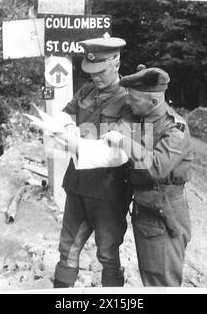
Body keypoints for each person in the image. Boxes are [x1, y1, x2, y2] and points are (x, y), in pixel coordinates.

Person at [53, 36, 132, 288]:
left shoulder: (129, 99)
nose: (95, 77)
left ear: (116, 63)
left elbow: (119, 150)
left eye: (101, 71)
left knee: (107, 254)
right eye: (91, 71)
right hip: (77, 185)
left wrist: (78, 145)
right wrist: (66, 126)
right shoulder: (87, 89)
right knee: (67, 248)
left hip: (108, 191)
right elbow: (66, 112)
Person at [103, 66, 193, 286]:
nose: (128, 102)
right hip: (146, 207)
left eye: (133, 99)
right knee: (151, 277)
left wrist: (123, 140)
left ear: (153, 102)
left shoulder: (175, 129)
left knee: (161, 281)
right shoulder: (139, 117)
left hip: (163, 209)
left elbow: (156, 167)